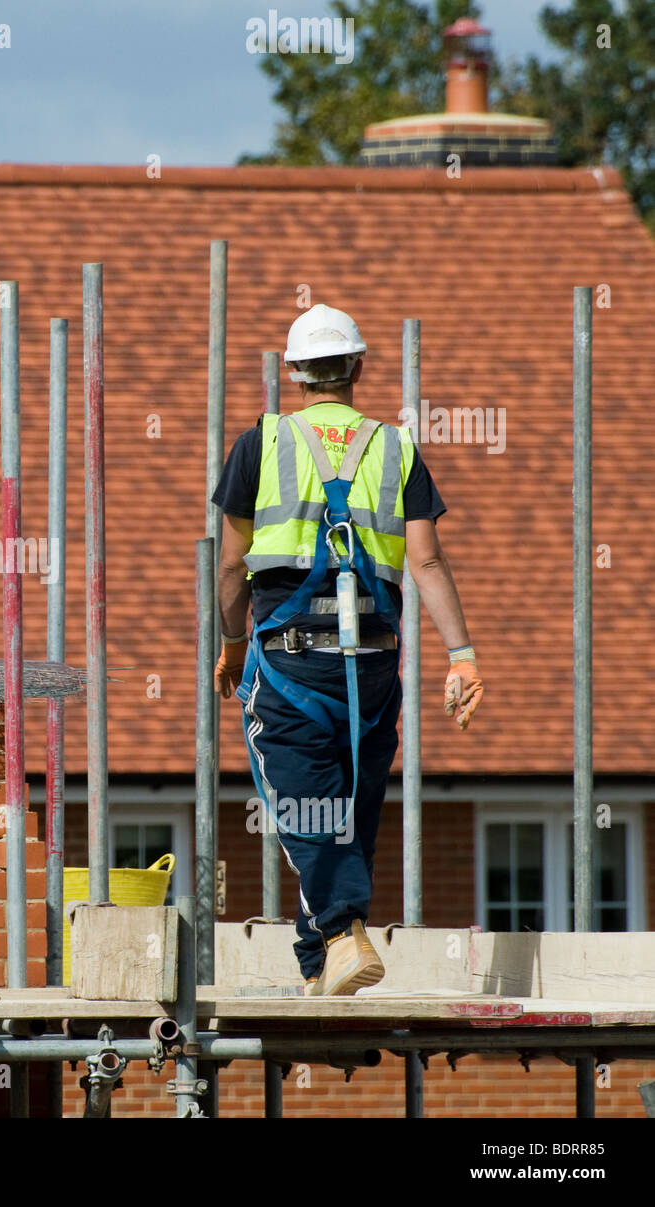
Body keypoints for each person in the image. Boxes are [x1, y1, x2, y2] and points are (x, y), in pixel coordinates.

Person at [211, 304, 483, 996]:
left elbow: (229, 565)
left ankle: (340, 931)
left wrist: (234, 643)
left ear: (293, 372)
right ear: (358, 367)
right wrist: (462, 653)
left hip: (291, 659)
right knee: (349, 807)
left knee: (303, 804)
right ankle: (318, 960)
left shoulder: (260, 445)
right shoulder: (397, 449)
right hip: (372, 664)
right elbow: (426, 561)